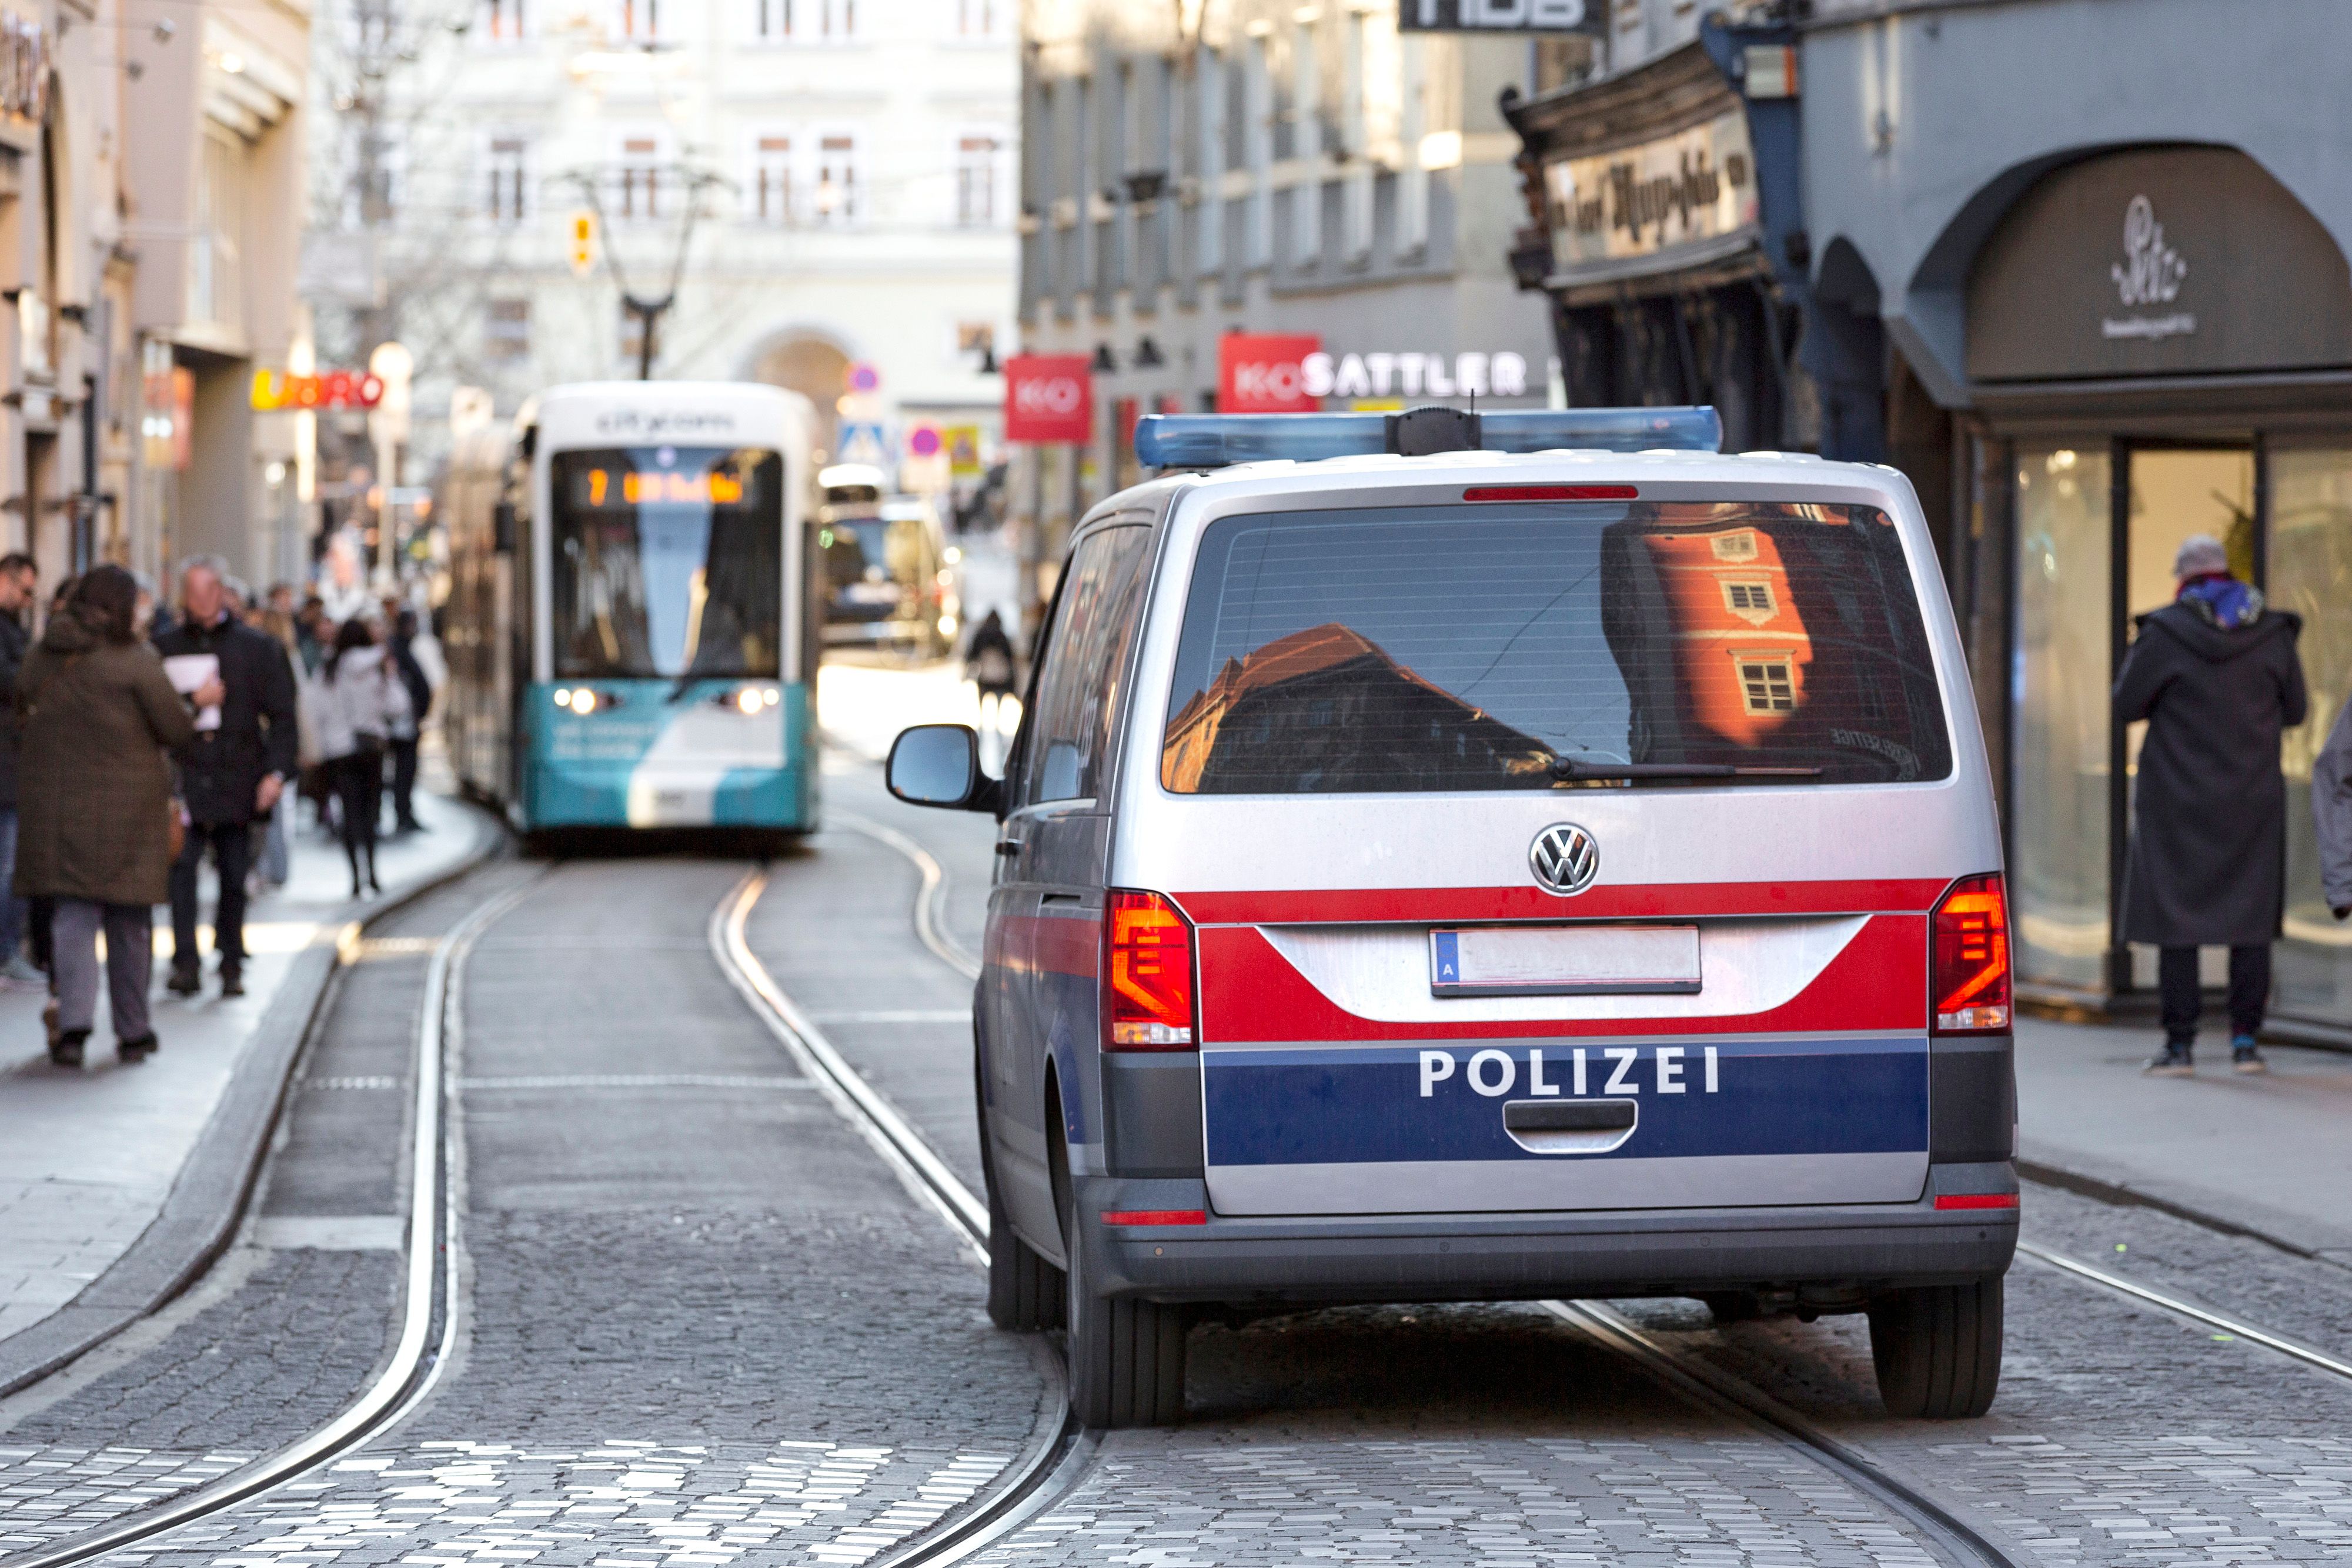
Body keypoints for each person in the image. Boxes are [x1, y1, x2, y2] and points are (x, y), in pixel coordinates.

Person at [2114, 533, 2308, 1076]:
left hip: (2176, 800)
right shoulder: (2271, 633)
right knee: (2250, 918)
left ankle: (2180, 1046)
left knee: (2179, 919)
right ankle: (2245, 1041)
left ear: (2183, 579)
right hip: (2251, 799)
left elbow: (2125, 704)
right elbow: (2295, 710)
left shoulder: (2164, 633)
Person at [14, 565, 197, 1066]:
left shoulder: (42, 654)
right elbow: (175, 728)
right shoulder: (134, 660)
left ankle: (72, 1027)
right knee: (129, 923)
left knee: (72, 918)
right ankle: (133, 1031)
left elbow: (20, 704)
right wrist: (196, 705)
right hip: (129, 815)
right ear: (121, 606)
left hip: (59, 811)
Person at [152, 556, 299, 998]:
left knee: (235, 876)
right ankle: (185, 961)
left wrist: (276, 773)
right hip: (187, 780)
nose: (201, 602)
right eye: (192, 593)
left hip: (240, 779)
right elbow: (153, 714)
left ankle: (231, 958)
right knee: (181, 874)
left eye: (208, 592)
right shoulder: (164, 647)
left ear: (220, 593)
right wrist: (191, 701)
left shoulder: (255, 648)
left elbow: (282, 716)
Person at [315, 618, 405, 895]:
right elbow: (398, 706)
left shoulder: (329, 668)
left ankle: (355, 878)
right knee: (370, 813)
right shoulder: (378, 664)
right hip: (371, 748)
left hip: (339, 751)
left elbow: (317, 710)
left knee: (349, 815)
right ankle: (374, 874)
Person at [0, 551, 38, 988]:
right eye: (25, 590)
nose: (29, 600)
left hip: (15, 765)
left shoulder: (15, 629)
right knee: (9, 866)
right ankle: (6, 949)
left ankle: (10, 948)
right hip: (7, 767)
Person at [385, 607, 432, 833]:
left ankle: (403, 813)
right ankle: (402, 814)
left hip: (403, 724)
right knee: (403, 771)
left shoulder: (401, 649)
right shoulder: (397, 651)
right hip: (398, 725)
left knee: (405, 771)